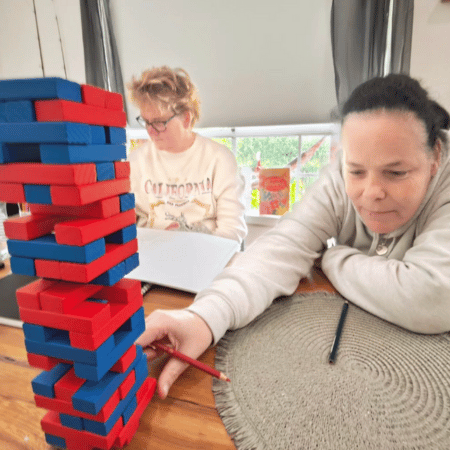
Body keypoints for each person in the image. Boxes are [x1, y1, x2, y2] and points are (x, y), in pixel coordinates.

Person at [136, 73, 450, 399]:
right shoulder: (337, 178)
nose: (371, 192)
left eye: (396, 173)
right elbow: (281, 248)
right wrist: (202, 318)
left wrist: (333, 257)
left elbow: (433, 296)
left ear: (435, 157)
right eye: (355, 170)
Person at [127, 66, 247, 244]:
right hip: (152, 258)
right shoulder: (135, 162)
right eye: (146, 121)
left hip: (208, 259)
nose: (151, 131)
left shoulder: (219, 159)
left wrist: (187, 246)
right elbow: (124, 227)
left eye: (159, 122)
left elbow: (232, 232)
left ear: (186, 118)